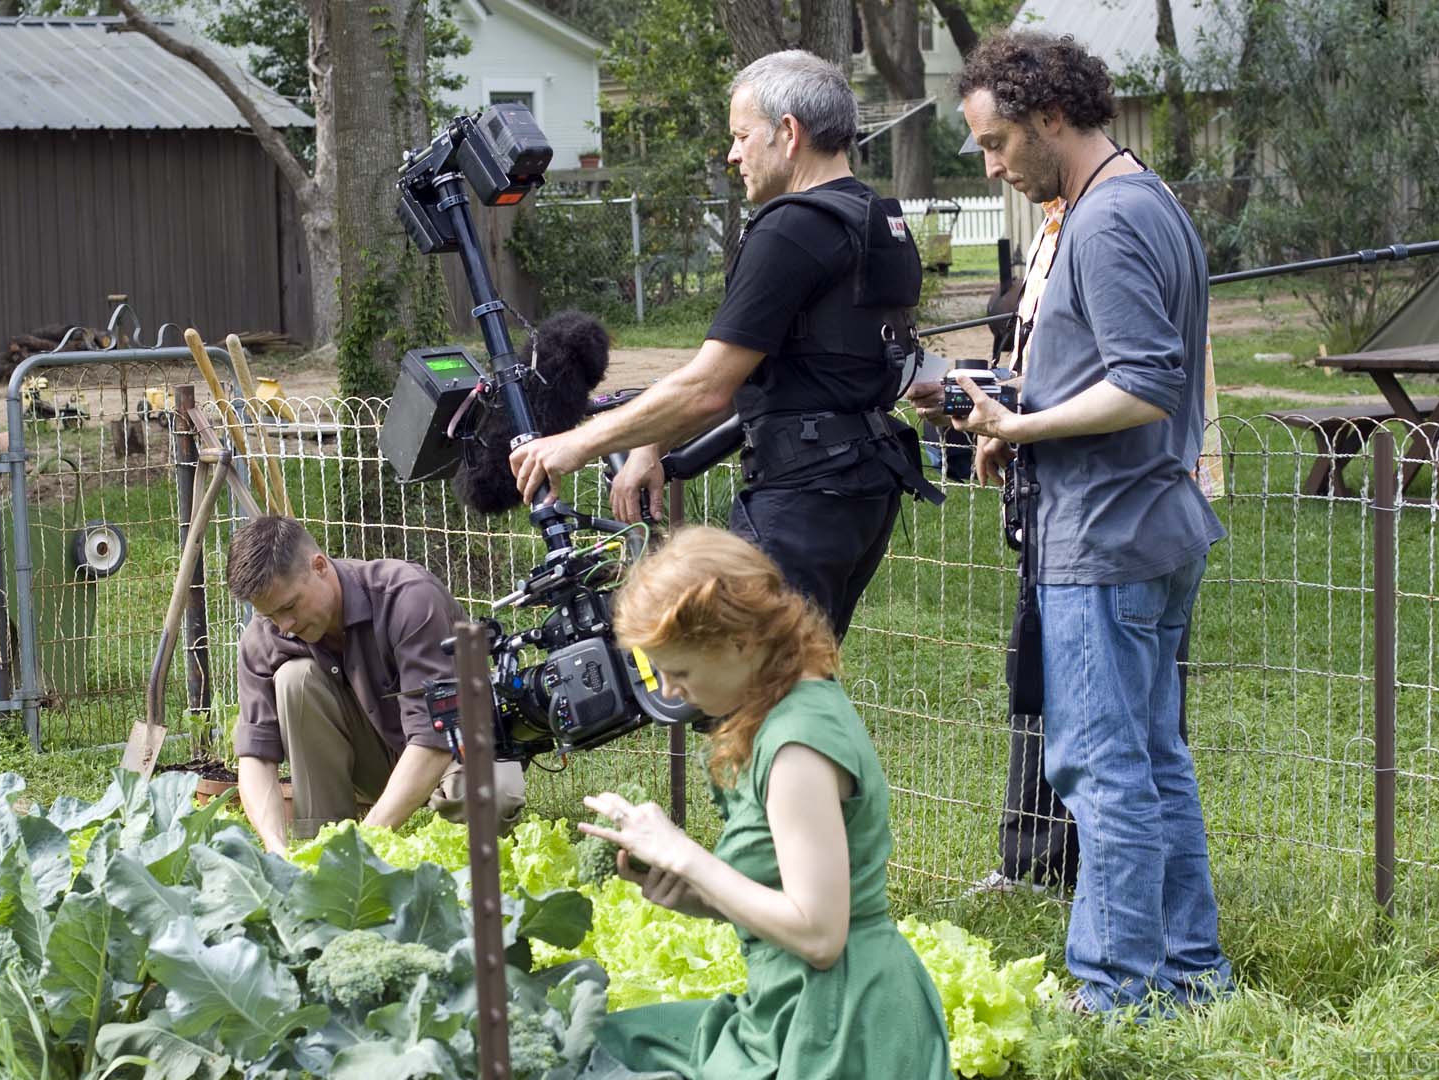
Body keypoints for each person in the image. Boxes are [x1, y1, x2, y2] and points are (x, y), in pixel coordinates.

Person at [913, 30, 1233, 1014]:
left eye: (998, 140)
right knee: (1149, 760)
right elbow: (1114, 369)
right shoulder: (1129, 199)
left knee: (1100, 769)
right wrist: (1011, 412)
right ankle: (1191, 975)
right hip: (1140, 522)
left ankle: (1113, 990)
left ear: (1052, 115)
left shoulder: (1109, 221)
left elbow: (1146, 381)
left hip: (1108, 535)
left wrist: (1022, 422)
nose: (990, 162)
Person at [508, 49, 940, 640]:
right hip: (859, 484)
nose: (733, 154)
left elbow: (710, 388)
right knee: (799, 678)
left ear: (788, 133)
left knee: (753, 689)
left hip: (802, 494)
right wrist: (648, 446)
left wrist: (576, 444)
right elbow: (757, 366)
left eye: (741, 136)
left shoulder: (792, 227)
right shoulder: (867, 213)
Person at [584, 526, 952, 1079]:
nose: (668, 690)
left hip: (841, 1026)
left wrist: (685, 855)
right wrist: (694, 894)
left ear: (740, 642)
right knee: (608, 1043)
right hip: (790, 1006)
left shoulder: (797, 746)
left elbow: (820, 936)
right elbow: (784, 896)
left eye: (678, 670)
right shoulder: (782, 708)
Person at [227, 515, 524, 850]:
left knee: (494, 798)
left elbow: (434, 739)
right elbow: (255, 756)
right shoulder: (264, 636)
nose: (285, 626)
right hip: (375, 756)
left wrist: (362, 845)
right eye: (270, 616)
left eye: (290, 606)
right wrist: (274, 846)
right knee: (294, 680)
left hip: (458, 742)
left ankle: (349, 851)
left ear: (320, 566)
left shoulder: (408, 596)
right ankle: (320, 847)